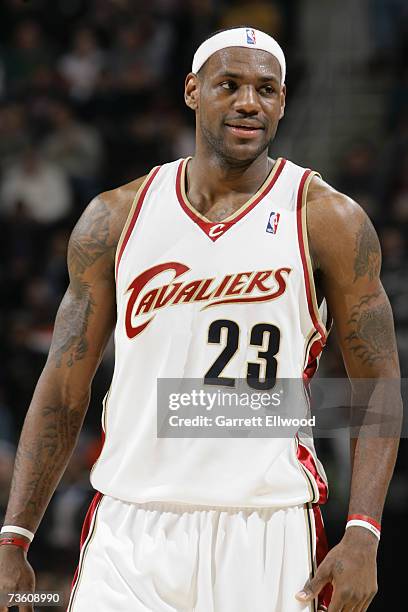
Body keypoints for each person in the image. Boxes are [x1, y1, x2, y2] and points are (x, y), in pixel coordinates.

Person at [0, 27, 402, 612]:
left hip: (265, 523)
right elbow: (63, 386)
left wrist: (364, 530)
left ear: (284, 102)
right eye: (230, 85)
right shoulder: (114, 218)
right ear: (192, 91)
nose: (248, 102)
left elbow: (377, 385)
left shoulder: (329, 220)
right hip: (129, 523)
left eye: (267, 89)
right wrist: (15, 535)